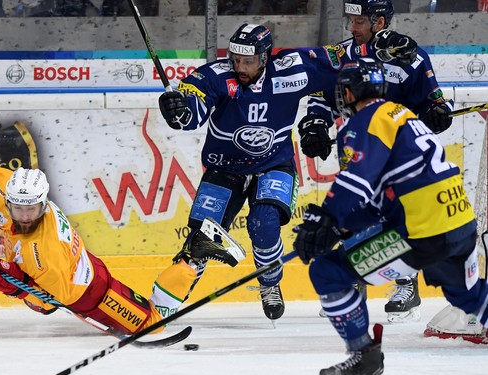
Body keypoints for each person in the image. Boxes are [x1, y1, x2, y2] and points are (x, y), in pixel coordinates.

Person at [158, 23, 414, 322]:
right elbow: (192, 111)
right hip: (224, 168)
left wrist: (383, 47)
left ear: (265, 57)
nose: (239, 66)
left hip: (273, 164)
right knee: (201, 236)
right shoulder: (215, 75)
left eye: (248, 61)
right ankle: (165, 303)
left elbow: (342, 57)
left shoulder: (293, 69)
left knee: (264, 223)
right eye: (235, 59)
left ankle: (269, 284)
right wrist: (179, 109)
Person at [293, 58, 486, 375]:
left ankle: (364, 356)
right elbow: (383, 198)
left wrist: (327, 217)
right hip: (459, 221)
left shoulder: (367, 121)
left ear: (351, 92)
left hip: (421, 231)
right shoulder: (404, 115)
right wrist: (339, 226)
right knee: (467, 296)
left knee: (327, 272)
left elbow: (358, 182)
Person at [0, 167, 238, 335]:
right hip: (70, 268)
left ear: (43, 204)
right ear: (8, 200)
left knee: (154, 324)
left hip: (91, 292)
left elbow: (57, 298)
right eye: (17, 208)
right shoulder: (2, 191)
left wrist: (11, 283)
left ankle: (194, 253)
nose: (23, 216)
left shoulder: (45, 249)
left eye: (31, 210)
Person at [297, 0, 454, 322]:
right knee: (354, 210)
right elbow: (322, 98)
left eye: (358, 21)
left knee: (396, 213)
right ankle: (353, 283)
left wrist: (435, 113)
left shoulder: (409, 56)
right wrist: (314, 124)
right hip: (359, 147)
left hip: (398, 155)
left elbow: (432, 100)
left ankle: (406, 281)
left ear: (379, 21)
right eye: (350, 20)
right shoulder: (342, 56)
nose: (351, 28)